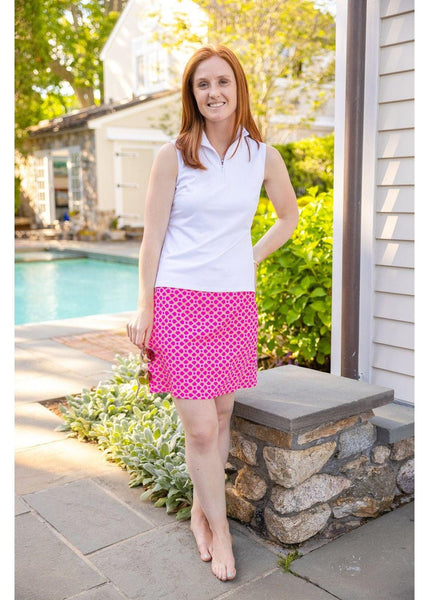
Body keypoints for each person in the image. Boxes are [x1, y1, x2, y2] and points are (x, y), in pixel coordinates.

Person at [127, 44, 299, 583]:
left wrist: (249, 258)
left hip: (234, 302)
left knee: (222, 417)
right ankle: (221, 533)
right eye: (202, 84)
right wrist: (145, 306)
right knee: (201, 427)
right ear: (193, 94)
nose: (213, 92)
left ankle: (202, 514)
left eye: (222, 81)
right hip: (179, 300)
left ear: (238, 87)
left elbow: (288, 218)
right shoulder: (173, 155)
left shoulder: (263, 156)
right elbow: (152, 238)